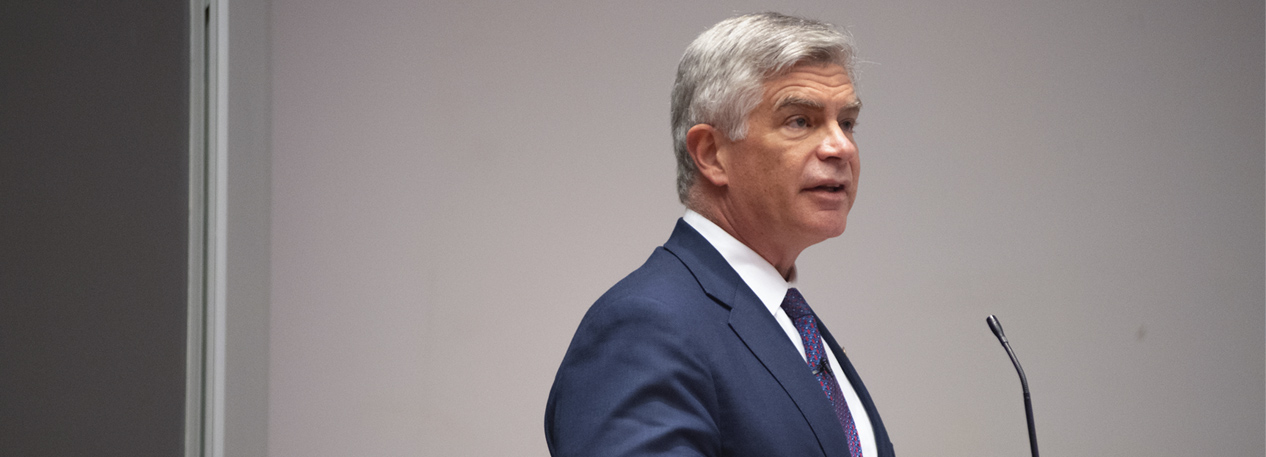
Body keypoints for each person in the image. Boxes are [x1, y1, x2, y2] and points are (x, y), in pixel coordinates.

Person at [544, 12, 894, 457]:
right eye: (800, 121)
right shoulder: (647, 327)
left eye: (846, 123)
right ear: (711, 155)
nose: (840, 147)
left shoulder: (791, 323)